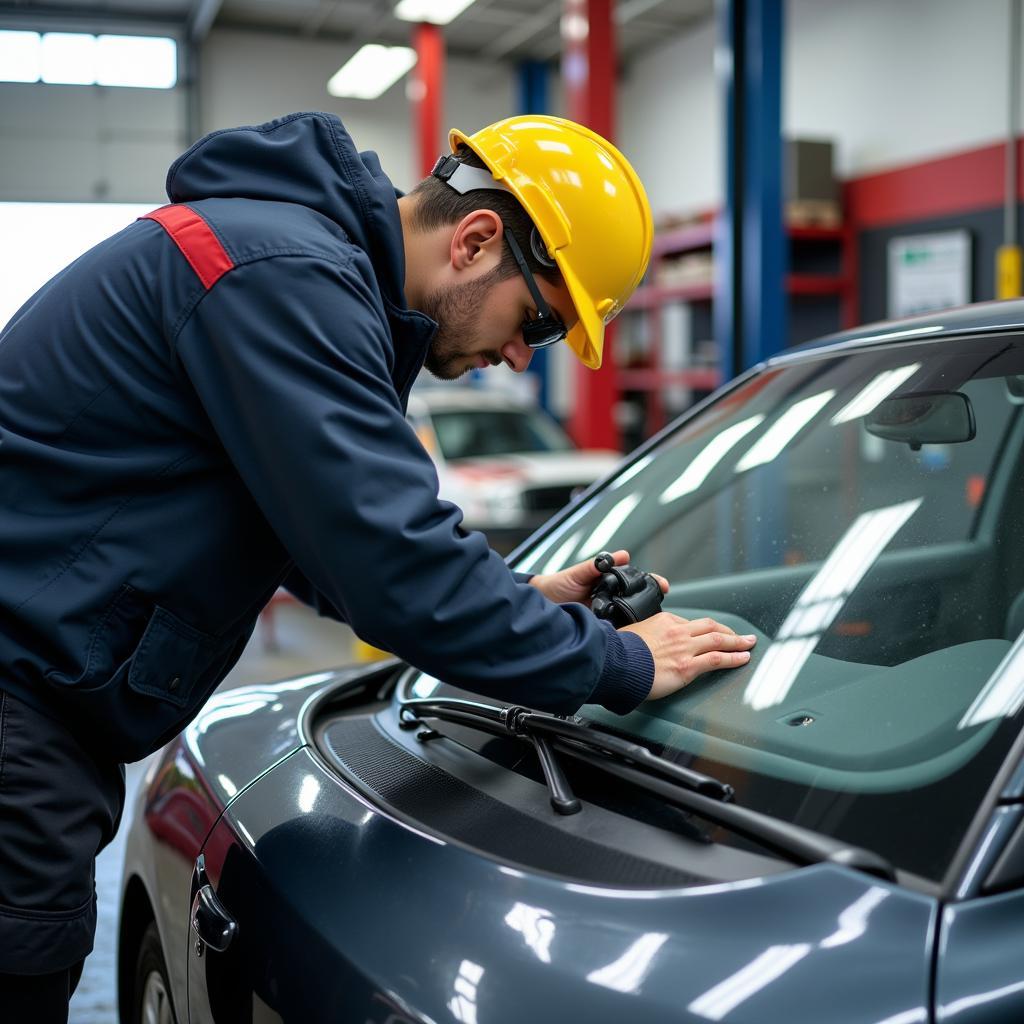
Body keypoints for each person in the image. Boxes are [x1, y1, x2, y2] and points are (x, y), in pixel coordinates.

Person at [0, 111, 755, 1019]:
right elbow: (385, 559)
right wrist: (619, 662)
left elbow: (316, 533)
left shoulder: (303, 271)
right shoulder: (283, 278)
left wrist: (517, 601)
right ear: (477, 241)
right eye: (541, 324)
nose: (519, 355)